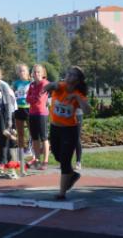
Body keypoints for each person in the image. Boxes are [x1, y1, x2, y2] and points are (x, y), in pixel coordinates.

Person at [44, 66, 91, 200]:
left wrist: (76, 96)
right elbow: (53, 85)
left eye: (73, 75)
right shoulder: (61, 86)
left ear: (78, 80)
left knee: (64, 161)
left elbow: (87, 111)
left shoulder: (79, 94)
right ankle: (73, 175)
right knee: (58, 156)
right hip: (55, 128)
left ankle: (61, 193)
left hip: (70, 130)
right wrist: (49, 86)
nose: (69, 76)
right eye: (68, 73)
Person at [26, 64, 50, 170]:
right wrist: (32, 97)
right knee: (35, 138)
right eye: (34, 72)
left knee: (44, 137)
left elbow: (38, 98)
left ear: (42, 73)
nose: (36, 74)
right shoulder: (31, 85)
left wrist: (32, 97)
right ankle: (37, 159)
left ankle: (45, 161)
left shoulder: (45, 83)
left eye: (38, 72)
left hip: (41, 113)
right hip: (32, 113)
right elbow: (27, 98)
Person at [12, 63, 31, 160]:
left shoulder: (31, 83)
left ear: (27, 72)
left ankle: (32, 151)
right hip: (18, 108)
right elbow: (12, 94)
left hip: (28, 108)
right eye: (20, 71)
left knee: (32, 131)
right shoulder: (16, 83)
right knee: (20, 133)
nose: (22, 72)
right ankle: (21, 153)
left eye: (23, 70)